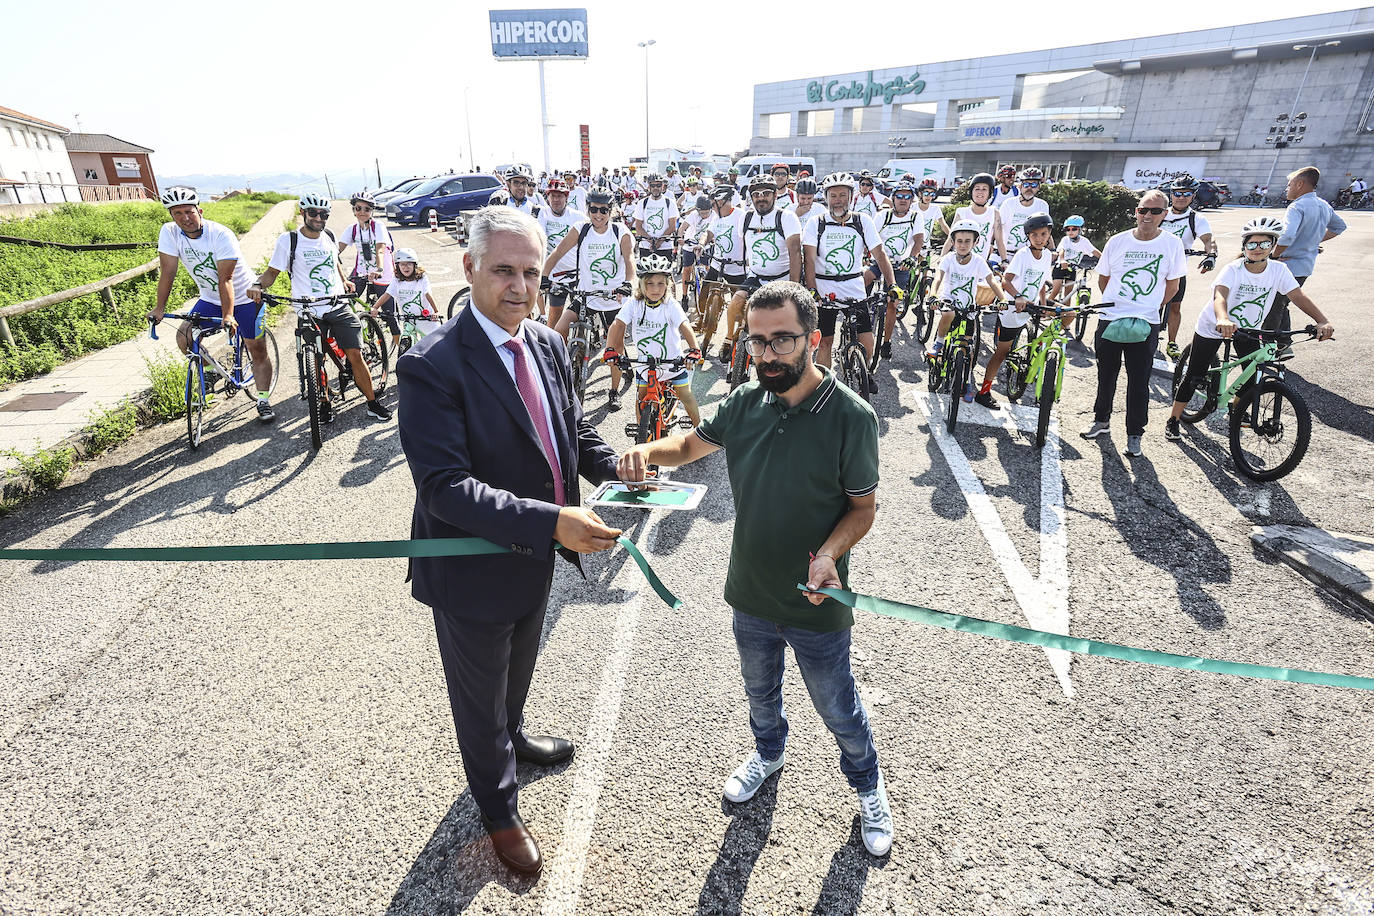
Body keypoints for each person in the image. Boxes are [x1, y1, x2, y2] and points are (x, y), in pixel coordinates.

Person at [615, 280, 892, 856]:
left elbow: (862, 509)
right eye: (757, 342)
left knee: (838, 706)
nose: (766, 355)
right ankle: (768, 754)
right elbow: (693, 444)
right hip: (750, 592)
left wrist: (828, 556)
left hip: (816, 600)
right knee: (760, 695)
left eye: (782, 341)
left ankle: (868, 785)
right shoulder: (744, 400)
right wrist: (647, 452)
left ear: (813, 340)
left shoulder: (852, 417)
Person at [396, 207, 624, 880]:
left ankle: (514, 739)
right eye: (504, 271)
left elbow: (569, 434)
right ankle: (498, 809)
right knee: (478, 696)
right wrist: (552, 520)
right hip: (471, 569)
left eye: (532, 271)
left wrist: (615, 464)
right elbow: (444, 487)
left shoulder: (547, 344)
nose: (521, 287)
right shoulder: (432, 365)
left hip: (533, 555)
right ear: (469, 269)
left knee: (517, 670)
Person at [1164, 216, 1335, 442]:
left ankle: (1238, 409)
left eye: (1264, 244)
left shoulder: (1279, 270)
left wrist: (1322, 320)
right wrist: (1223, 319)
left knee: (1251, 376)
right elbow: (1219, 296)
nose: (1257, 249)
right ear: (1244, 246)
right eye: (1252, 244)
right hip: (1214, 325)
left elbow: (1297, 296)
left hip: (1248, 329)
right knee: (1194, 375)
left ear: (1273, 246)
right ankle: (1174, 419)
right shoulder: (1233, 269)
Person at [249, 192, 391, 422]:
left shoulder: (329, 235)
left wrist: (344, 280)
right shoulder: (289, 240)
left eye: (323, 214)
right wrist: (257, 285)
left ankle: (372, 402)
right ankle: (324, 402)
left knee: (355, 354)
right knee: (316, 359)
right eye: (313, 213)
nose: (318, 218)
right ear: (303, 213)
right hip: (308, 309)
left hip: (337, 304)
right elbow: (271, 273)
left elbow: (334, 261)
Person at [148, 186, 276, 423]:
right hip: (210, 298)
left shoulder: (220, 234)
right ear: (171, 216)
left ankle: (263, 399)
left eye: (189, 211)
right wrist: (160, 308)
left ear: (200, 210)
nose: (185, 218)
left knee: (257, 350)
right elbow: (168, 271)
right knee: (185, 337)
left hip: (245, 297)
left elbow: (225, 278)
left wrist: (228, 315)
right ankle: (209, 373)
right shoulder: (169, 232)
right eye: (178, 213)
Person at [1080, 189, 1186, 456]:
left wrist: (1149, 307)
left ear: (1165, 214)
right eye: (1143, 210)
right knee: (1106, 376)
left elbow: (1172, 286)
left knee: (1139, 381)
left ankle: (1135, 433)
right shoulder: (1117, 241)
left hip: (1146, 322)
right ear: (1136, 211)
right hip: (1111, 318)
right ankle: (1101, 421)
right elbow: (1103, 278)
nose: (1147, 216)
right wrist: (1119, 304)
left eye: (1155, 211)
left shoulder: (1172, 244)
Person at [542, 188, 637, 408]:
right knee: (558, 332)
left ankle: (614, 392)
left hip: (614, 298)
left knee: (614, 348)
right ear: (588, 209)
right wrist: (545, 276)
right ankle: (561, 376)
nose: (598, 214)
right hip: (586, 296)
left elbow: (629, 260)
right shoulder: (581, 229)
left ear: (611, 210)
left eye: (604, 210)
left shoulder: (619, 231)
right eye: (593, 209)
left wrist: (628, 283)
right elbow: (556, 253)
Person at [804, 172, 895, 390]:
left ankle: (866, 371)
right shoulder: (816, 223)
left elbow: (880, 253)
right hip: (825, 289)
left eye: (843, 195)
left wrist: (892, 285)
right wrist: (812, 290)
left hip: (854, 288)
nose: (838, 200)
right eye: (833, 195)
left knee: (867, 341)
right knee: (825, 342)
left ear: (851, 196)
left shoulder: (862, 221)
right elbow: (809, 258)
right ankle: (822, 385)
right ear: (826, 198)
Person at [603, 254, 704, 426]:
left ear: (668, 285)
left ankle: (700, 431)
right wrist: (610, 349)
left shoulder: (670, 304)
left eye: (660, 284)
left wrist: (694, 349)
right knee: (641, 396)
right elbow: (617, 324)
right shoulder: (634, 304)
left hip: (672, 363)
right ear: (642, 285)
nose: (655, 289)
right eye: (650, 283)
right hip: (645, 364)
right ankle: (641, 437)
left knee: (685, 395)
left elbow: (684, 325)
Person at [976, 213, 1058, 409]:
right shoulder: (1023, 255)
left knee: (1065, 317)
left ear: (1049, 235)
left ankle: (1040, 377)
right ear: (1028, 236)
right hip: (1013, 308)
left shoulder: (1047, 255)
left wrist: (1044, 303)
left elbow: (1040, 283)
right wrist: (1018, 296)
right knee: (1002, 352)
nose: (1039, 238)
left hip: (1031, 306)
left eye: (1043, 234)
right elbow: (1006, 280)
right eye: (1034, 235)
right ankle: (984, 391)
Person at [730, 176, 803, 364]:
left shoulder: (786, 217)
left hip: (782, 278)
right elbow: (745, 248)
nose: (761, 198)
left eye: (766, 193)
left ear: (775, 195)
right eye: (756, 194)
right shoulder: (746, 218)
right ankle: (728, 340)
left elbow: (795, 252)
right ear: (751, 198)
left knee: (782, 322)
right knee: (735, 304)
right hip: (756, 276)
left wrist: (794, 287)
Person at [1268, 166, 1346, 339]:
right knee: (1281, 303)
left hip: (1287, 264)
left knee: (1272, 307)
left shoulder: (1297, 207)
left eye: (1289, 184)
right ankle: (1280, 345)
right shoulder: (1323, 205)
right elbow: (1340, 227)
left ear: (1300, 184)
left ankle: (1277, 345)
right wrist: (1313, 241)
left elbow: (1286, 237)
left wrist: (1273, 256)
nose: (1287, 188)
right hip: (1305, 266)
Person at [1158, 174, 1218, 360]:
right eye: (1177, 193)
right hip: (1154, 267)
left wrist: (1211, 255)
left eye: (1186, 193)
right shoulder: (1161, 213)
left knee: (1175, 307)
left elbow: (1209, 240)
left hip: (1177, 270)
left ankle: (1171, 342)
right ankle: (1147, 335)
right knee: (1151, 304)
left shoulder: (1196, 219)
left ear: (1193, 195)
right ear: (1172, 194)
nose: (1181, 197)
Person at [927, 219, 1002, 365]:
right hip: (949, 300)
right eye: (959, 241)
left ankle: (965, 379)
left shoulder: (978, 261)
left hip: (969, 305)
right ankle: (939, 342)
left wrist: (1003, 299)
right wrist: (933, 294)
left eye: (967, 241)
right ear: (953, 242)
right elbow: (938, 278)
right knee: (948, 314)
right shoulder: (948, 259)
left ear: (975, 242)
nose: (962, 245)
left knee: (968, 346)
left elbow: (992, 281)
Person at [865, 180, 924, 360]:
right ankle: (862, 306)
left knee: (893, 303)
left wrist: (912, 258)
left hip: (901, 265)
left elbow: (919, 239)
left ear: (912, 200)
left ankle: (886, 342)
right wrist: (869, 254)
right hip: (881, 261)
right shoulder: (883, 215)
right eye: (899, 196)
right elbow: (870, 236)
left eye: (907, 196)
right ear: (894, 198)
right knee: (864, 279)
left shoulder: (915, 216)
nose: (903, 199)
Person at [339, 190, 396, 348]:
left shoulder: (378, 226)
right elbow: (337, 249)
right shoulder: (353, 229)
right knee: (345, 297)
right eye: (358, 208)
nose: (362, 212)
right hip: (362, 271)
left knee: (389, 314)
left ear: (372, 211)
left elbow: (380, 249)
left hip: (382, 272)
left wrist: (379, 269)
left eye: (367, 209)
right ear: (354, 210)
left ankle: (402, 349)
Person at [698, 183, 748, 358]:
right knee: (703, 294)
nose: (711, 206)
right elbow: (708, 234)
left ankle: (730, 339)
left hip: (736, 268)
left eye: (714, 203)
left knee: (740, 307)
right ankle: (704, 319)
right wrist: (701, 244)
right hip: (717, 263)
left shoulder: (741, 216)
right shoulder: (716, 217)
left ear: (724, 202)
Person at [535, 178, 586, 328]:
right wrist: (542, 274)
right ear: (548, 197)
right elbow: (540, 241)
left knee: (581, 317)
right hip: (556, 276)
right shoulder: (543, 214)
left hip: (578, 274)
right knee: (554, 320)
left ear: (567, 197)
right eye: (553, 196)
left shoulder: (578, 216)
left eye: (560, 196)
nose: (556, 200)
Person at [371, 248, 440, 344]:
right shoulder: (397, 278)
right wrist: (375, 307)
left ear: (414, 265)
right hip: (409, 319)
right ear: (397, 266)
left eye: (409, 264)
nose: (405, 267)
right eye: (402, 264)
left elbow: (427, 293)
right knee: (406, 342)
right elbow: (387, 294)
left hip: (426, 318)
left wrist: (436, 311)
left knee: (434, 346)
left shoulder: (422, 278)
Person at [943, 172, 1005, 268]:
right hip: (960, 261)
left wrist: (1004, 260)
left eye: (984, 189)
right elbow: (950, 239)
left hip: (980, 264)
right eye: (977, 189)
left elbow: (999, 240)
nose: (980, 192)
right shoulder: (961, 212)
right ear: (971, 192)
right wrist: (942, 258)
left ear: (989, 193)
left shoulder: (994, 213)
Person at [997, 167, 1050, 259]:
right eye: (1026, 184)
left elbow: (1045, 231)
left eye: (1033, 185)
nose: (1029, 188)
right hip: (1005, 253)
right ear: (1020, 186)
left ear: (1038, 187)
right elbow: (997, 228)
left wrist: (1052, 250)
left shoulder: (1042, 205)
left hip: (1028, 255)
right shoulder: (1009, 203)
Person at [1050, 215, 1100, 302]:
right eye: (1067, 229)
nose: (1070, 231)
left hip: (1072, 269)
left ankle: (1066, 314)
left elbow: (1094, 251)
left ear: (1080, 230)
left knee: (1068, 294)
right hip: (1060, 267)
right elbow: (1062, 250)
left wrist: (1105, 260)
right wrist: (1062, 260)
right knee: (1056, 290)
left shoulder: (1084, 241)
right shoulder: (1065, 240)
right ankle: (1044, 306)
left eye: (1074, 229)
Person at [632, 173, 680, 260]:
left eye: (658, 185)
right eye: (652, 185)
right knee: (646, 273)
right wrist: (651, 241)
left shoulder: (670, 203)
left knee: (664, 274)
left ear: (662, 186)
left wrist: (658, 243)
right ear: (649, 187)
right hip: (646, 246)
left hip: (665, 247)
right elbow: (638, 227)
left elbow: (672, 227)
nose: (655, 188)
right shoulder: (642, 203)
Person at [677, 193, 713, 303]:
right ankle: (684, 296)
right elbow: (682, 228)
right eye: (702, 213)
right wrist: (680, 238)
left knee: (707, 268)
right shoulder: (693, 215)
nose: (705, 215)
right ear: (697, 211)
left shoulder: (714, 215)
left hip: (705, 245)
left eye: (707, 212)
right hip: (690, 244)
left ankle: (706, 292)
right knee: (687, 269)